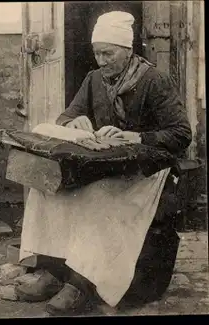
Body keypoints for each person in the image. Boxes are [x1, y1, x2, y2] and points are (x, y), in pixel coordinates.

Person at [14, 11, 192, 315]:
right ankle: (54, 270)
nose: (101, 60)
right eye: (97, 53)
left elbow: (181, 134)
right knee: (48, 191)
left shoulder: (154, 81)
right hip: (108, 165)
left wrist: (137, 137)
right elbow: (66, 117)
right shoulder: (94, 79)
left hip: (148, 172)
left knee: (99, 200)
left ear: (127, 51)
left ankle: (82, 284)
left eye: (108, 53)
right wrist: (75, 122)